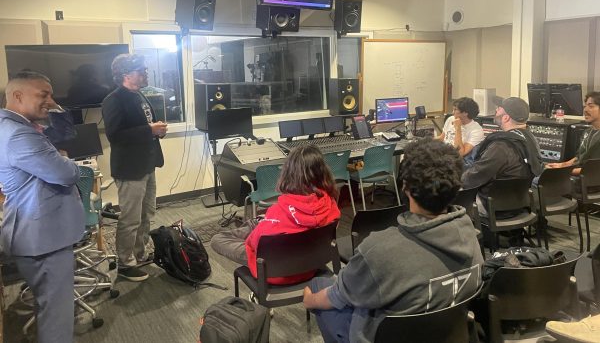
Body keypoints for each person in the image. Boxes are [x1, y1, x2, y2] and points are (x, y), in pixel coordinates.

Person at [303, 139, 483, 343]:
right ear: (456, 185)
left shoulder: (377, 249)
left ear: (405, 187)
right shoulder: (471, 232)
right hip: (448, 334)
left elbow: (339, 295)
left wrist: (310, 300)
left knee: (318, 284)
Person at [0, 71, 85, 343]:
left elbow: (66, 135)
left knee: (48, 304)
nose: (50, 100)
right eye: (43, 94)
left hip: (39, 233)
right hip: (43, 237)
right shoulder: (18, 135)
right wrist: (67, 161)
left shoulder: (18, 126)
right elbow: (67, 174)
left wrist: (53, 108)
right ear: (17, 96)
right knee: (56, 314)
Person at [210, 145, 340, 285]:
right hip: (310, 265)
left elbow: (255, 244)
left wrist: (267, 224)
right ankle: (260, 222)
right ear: (323, 172)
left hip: (274, 269)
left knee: (218, 239)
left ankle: (259, 223)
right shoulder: (330, 205)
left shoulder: (278, 212)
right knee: (259, 223)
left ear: (289, 173)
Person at [102, 54, 167, 281]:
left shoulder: (139, 94)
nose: (146, 73)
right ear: (126, 74)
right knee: (130, 218)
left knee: (146, 214)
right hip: (130, 169)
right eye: (141, 70)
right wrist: (150, 130)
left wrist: (156, 130)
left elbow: (144, 126)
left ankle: (139, 255)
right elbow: (115, 135)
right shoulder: (114, 99)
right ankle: (125, 263)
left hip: (147, 164)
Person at [462, 96, 543, 216]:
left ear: (506, 118)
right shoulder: (531, 138)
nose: (496, 111)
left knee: (449, 199)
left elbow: (472, 178)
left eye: (499, 108)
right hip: (521, 202)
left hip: (494, 206)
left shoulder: (501, 146)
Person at [546, 91, 600, 175]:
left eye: (591, 106)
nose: (585, 110)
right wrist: (562, 165)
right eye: (585, 106)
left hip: (590, 182)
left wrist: (563, 171)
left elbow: (594, 170)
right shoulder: (587, 132)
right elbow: (579, 157)